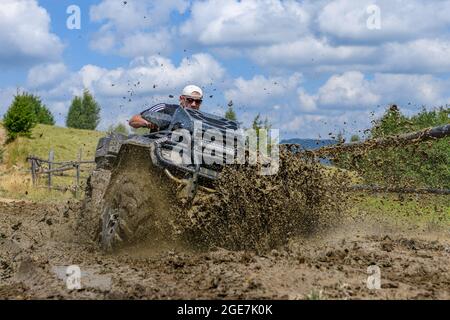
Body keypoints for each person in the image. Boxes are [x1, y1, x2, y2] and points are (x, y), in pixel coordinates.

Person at [129, 85, 203, 130]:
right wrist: (147, 123)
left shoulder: (202, 120)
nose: (193, 104)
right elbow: (133, 120)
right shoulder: (164, 108)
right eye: (190, 100)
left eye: (197, 101)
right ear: (181, 99)